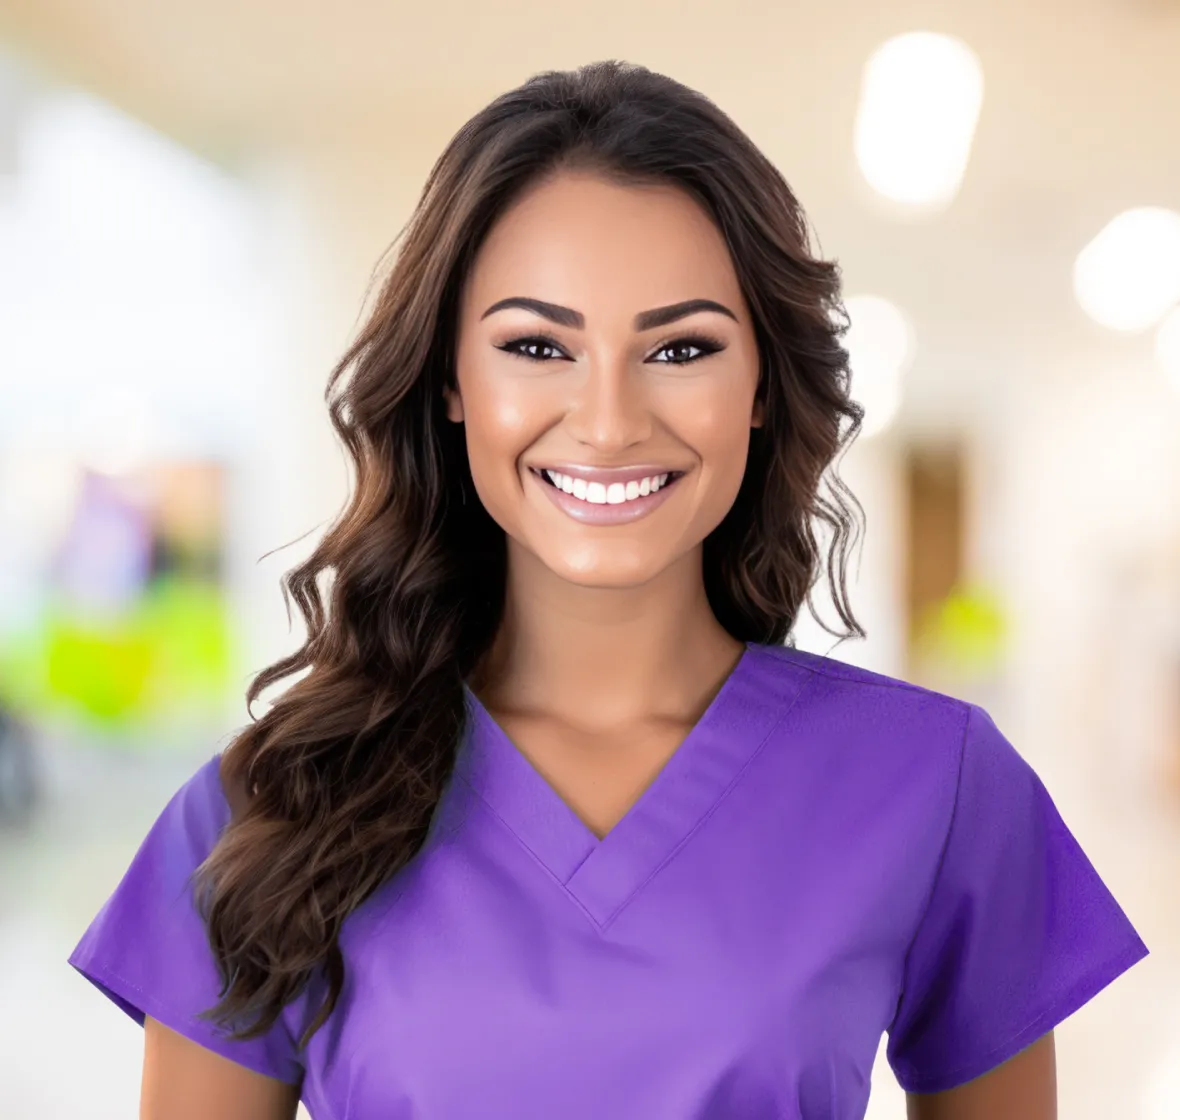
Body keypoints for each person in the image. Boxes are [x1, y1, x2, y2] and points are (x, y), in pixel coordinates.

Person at [69, 60, 1147, 1120]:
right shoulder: (267, 809)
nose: (607, 420)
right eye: (537, 344)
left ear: (763, 386)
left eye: (679, 348)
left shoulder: (936, 786)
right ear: (452, 381)